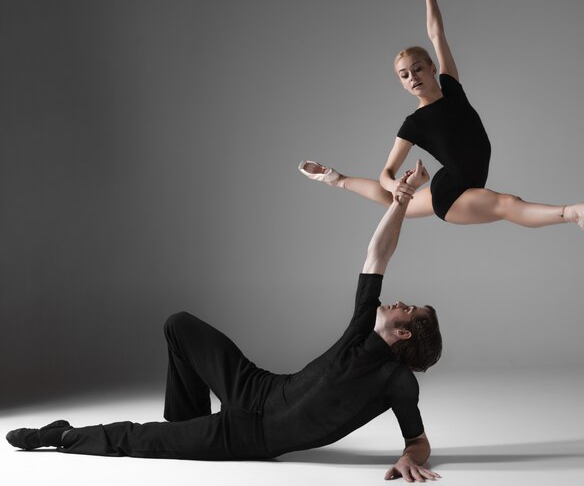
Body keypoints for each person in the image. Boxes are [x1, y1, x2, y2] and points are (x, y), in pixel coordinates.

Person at [7, 162, 443, 483]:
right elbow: (377, 255)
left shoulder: (396, 382)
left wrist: (411, 457)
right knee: (179, 325)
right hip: (257, 386)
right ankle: (182, 428)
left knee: (136, 440)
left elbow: (418, 439)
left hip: (251, 436)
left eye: (409, 309)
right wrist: (401, 199)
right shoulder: (362, 329)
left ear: (403, 333)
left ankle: (60, 436)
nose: (399, 302)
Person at [299, 0, 584, 231]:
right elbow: (386, 173)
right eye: (405, 75)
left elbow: (436, 34)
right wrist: (393, 184)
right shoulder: (414, 123)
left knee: (404, 209)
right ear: (403, 85)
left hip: (452, 179)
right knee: (507, 204)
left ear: (432, 69)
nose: (413, 78)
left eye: (418, 69)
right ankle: (574, 212)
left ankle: (335, 179)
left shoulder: (451, 85)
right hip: (452, 194)